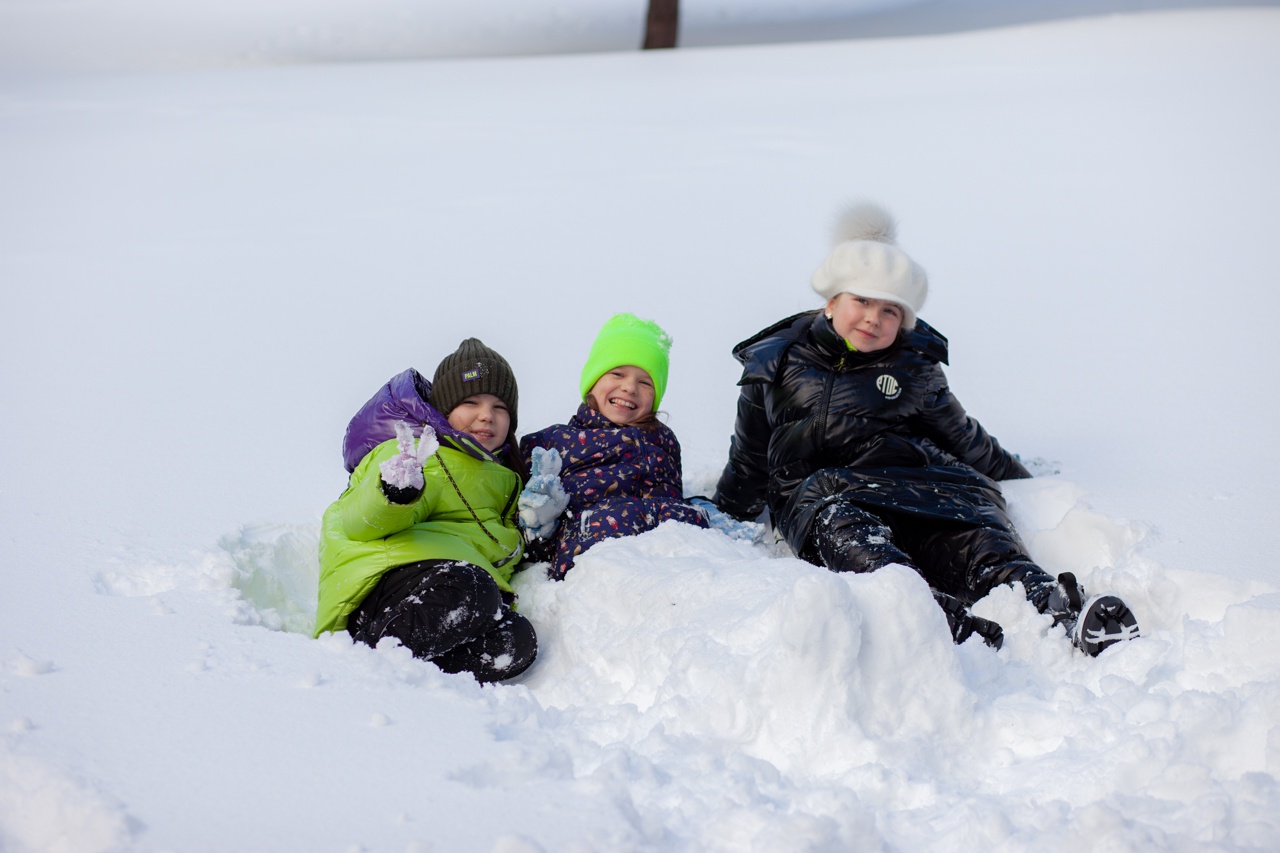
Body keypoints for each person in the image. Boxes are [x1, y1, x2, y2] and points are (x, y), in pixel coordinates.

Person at [711, 203, 1140, 656]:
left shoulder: (913, 366)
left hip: (916, 487)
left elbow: (963, 438)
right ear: (832, 301)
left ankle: (1054, 607)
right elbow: (751, 456)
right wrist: (719, 515)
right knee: (852, 536)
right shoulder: (775, 362)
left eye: (890, 310)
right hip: (828, 500)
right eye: (861, 300)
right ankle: (932, 615)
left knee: (979, 540)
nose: (873, 319)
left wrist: (1035, 483)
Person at [315, 338, 537, 683]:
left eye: (500, 407)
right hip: (390, 587)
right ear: (444, 409)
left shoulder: (504, 480)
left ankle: (416, 684)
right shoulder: (415, 454)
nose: (486, 416)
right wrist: (395, 493)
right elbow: (359, 522)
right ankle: (359, 668)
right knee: (474, 588)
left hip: (450, 595)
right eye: (471, 402)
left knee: (515, 642)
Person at [517, 312, 708, 580]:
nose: (630, 387)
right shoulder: (551, 443)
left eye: (645, 382)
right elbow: (528, 539)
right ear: (592, 381)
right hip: (594, 560)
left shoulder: (663, 440)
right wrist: (540, 523)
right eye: (617, 373)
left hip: (668, 560)